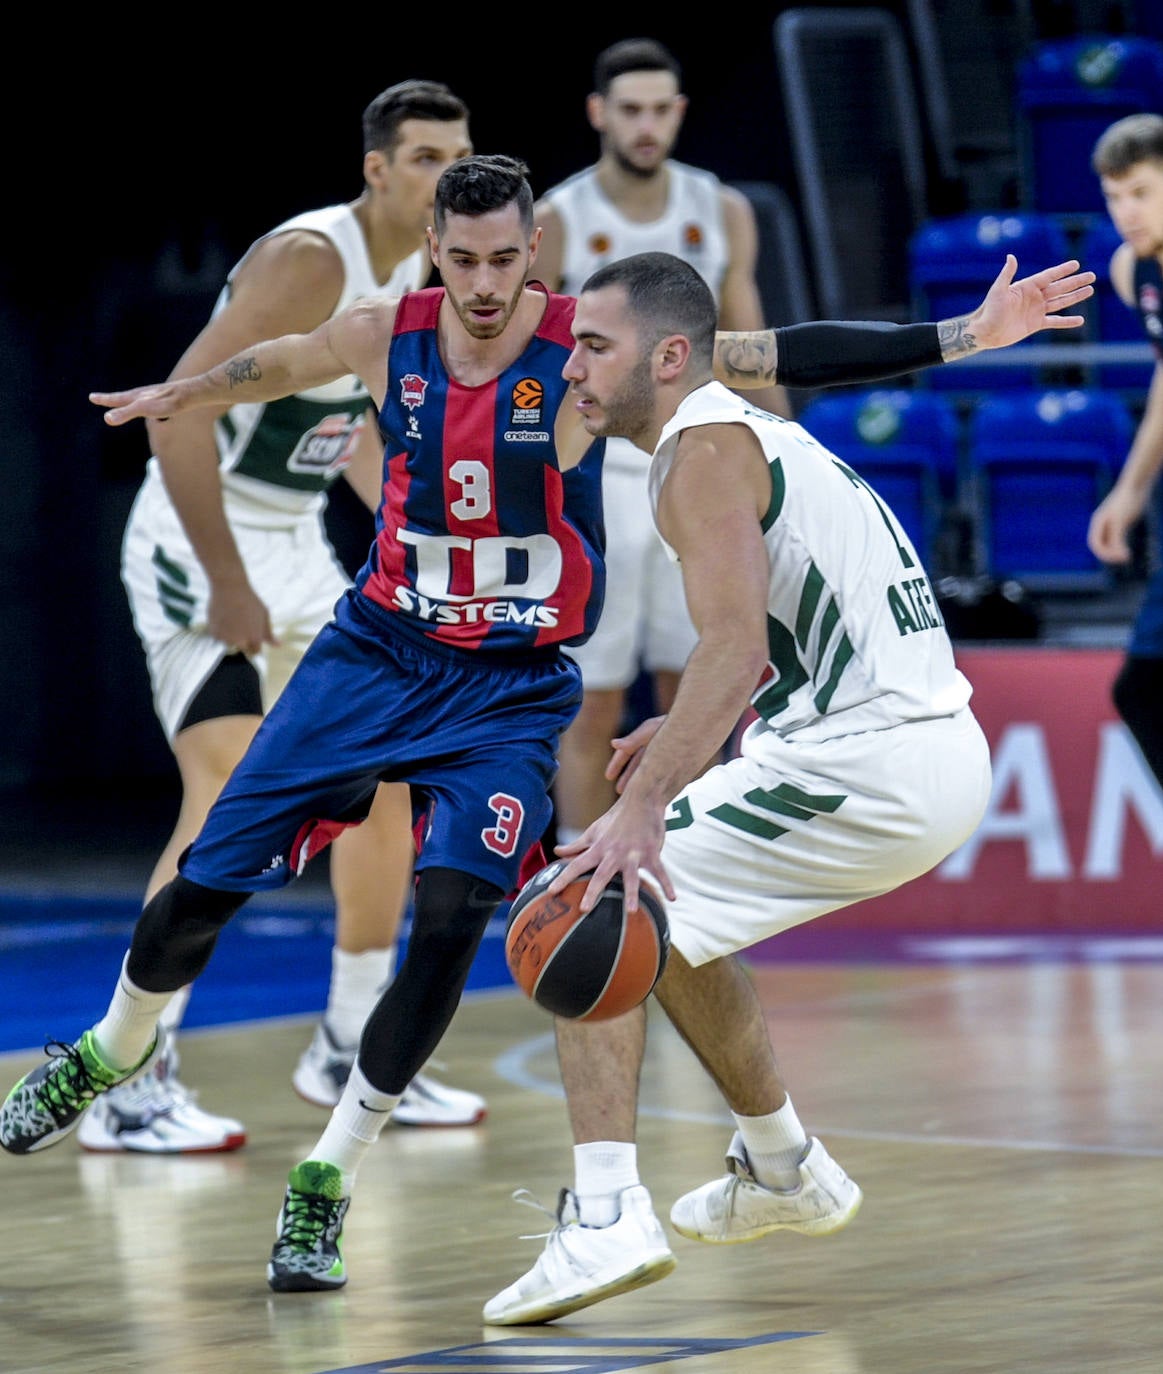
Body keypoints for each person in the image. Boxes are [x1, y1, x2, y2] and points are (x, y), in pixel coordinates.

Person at [0, 155, 1092, 1308]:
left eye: (505, 261)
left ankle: (354, 1178)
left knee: (490, 920)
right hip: (375, 651)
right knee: (209, 885)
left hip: (510, 688)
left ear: (538, 258)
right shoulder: (388, 335)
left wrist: (963, 337)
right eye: (461, 259)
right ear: (433, 249)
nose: (483, 284)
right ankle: (113, 1048)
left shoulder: (599, 358)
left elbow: (789, 352)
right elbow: (284, 361)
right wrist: (191, 389)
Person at [482, 248, 1096, 1326]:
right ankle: (782, 1167)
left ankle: (607, 1217)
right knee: (665, 922)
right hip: (883, 739)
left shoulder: (700, 456)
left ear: (668, 358)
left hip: (876, 758)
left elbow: (725, 648)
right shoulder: (745, 432)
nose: (571, 369)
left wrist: (634, 810)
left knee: (590, 898)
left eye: (592, 347)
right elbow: (783, 627)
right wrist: (691, 727)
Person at [88, 78, 485, 1156]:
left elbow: (357, 428)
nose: (446, 173)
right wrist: (223, 577)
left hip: (295, 541)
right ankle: (131, 1077)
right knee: (223, 794)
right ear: (377, 169)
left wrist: (421, 536)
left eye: (459, 153)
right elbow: (174, 410)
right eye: (423, 157)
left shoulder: (430, 273)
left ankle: (352, 1041)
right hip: (194, 532)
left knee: (390, 779)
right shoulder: (314, 258)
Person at [536, 38, 794, 847]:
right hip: (601, 477)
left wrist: (784, 448)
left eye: (660, 110)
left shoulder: (720, 209)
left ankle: (697, 871)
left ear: (679, 114)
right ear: (598, 114)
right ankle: (577, 876)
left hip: (705, 470)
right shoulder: (558, 219)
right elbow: (539, 362)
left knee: (702, 691)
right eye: (630, 110)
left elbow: (751, 338)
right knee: (593, 702)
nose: (646, 126)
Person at [1087, 112, 1163, 790]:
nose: (1125, 212)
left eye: (1141, 192)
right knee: (1144, 689)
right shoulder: (1129, 268)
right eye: (1114, 197)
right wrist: (1133, 488)